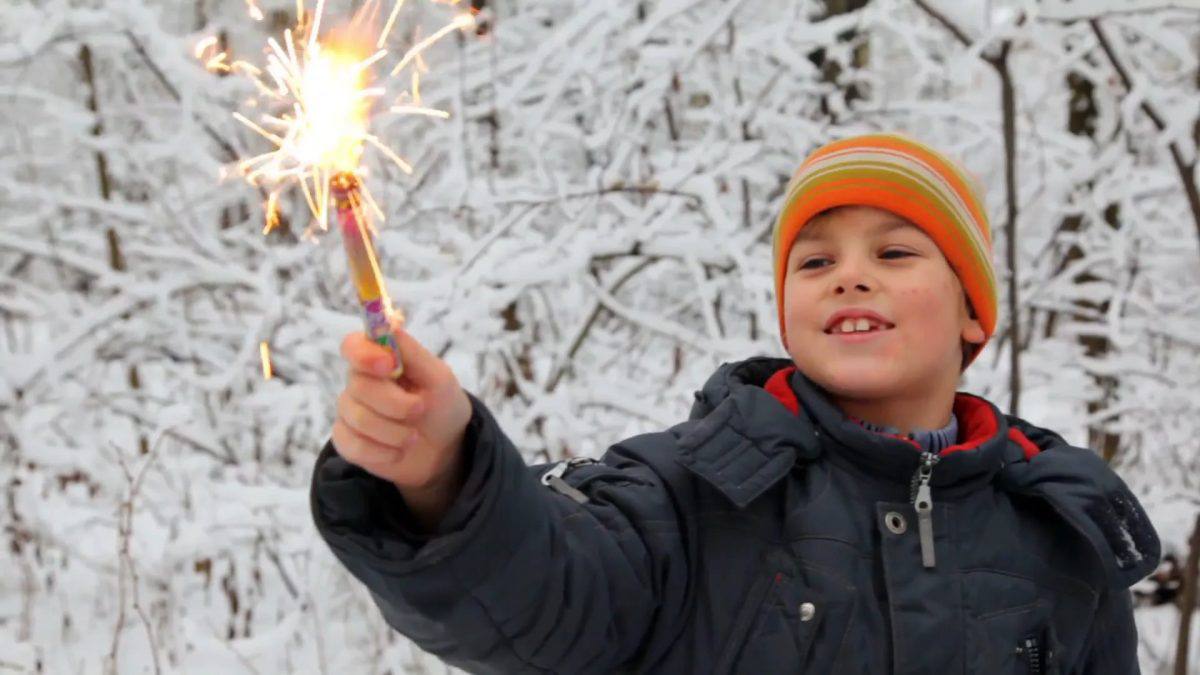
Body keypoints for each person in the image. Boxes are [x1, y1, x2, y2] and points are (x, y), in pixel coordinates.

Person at [310, 133, 1161, 673]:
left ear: (975, 311)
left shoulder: (1061, 537)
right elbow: (544, 600)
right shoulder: (689, 490)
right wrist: (446, 477)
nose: (850, 275)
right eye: (815, 262)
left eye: (895, 250)